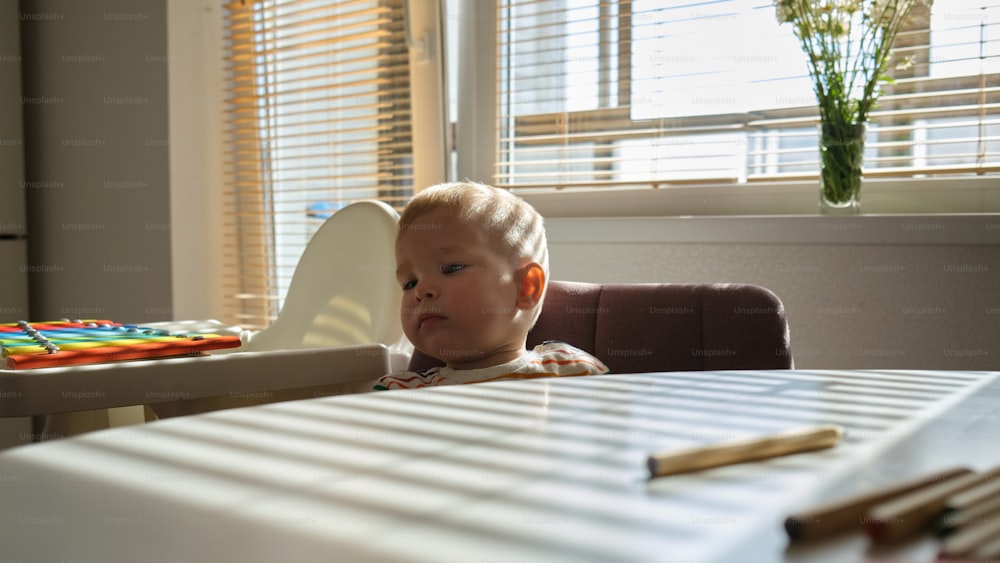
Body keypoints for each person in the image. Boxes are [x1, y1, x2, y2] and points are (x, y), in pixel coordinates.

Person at [374, 181, 609, 390]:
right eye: (409, 282)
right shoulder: (401, 392)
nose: (421, 291)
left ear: (527, 286)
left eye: (451, 268)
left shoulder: (574, 372)